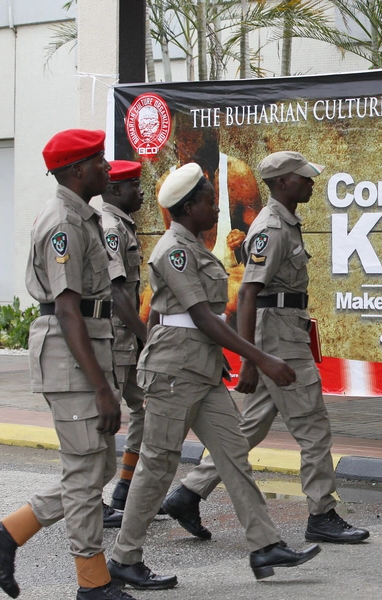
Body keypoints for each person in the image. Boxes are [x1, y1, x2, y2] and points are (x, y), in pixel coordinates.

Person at [107, 163, 321, 590]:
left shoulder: (196, 247)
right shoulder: (175, 250)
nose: (216, 207)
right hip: (173, 371)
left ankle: (265, 545)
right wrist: (260, 358)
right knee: (158, 465)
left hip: (200, 368)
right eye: (209, 201)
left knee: (234, 454)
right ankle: (124, 557)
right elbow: (203, 317)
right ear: (189, 208)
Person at [163, 151, 369, 545]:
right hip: (278, 339)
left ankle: (187, 494)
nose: (310, 182)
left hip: (280, 333)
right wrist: (250, 361)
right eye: (302, 177)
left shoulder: (284, 223)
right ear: (281, 183)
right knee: (313, 428)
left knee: (247, 429)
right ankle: (321, 513)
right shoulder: (272, 227)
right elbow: (248, 294)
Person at [0, 129, 137, 600]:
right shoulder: (62, 222)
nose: (107, 168)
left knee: (98, 466)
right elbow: (68, 310)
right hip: (70, 358)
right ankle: (92, 583)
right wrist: (102, 388)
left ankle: (6, 534)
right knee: (87, 473)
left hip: (87, 350)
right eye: (99, 162)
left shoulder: (82, 215)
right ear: (77, 170)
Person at [100, 160, 148, 513]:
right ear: (115, 191)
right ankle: (90, 499)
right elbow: (117, 294)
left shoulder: (124, 226)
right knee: (104, 419)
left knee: (147, 408)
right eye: (134, 184)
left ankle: (126, 488)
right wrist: (146, 334)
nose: (141, 191)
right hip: (113, 341)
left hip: (126, 341)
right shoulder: (110, 228)